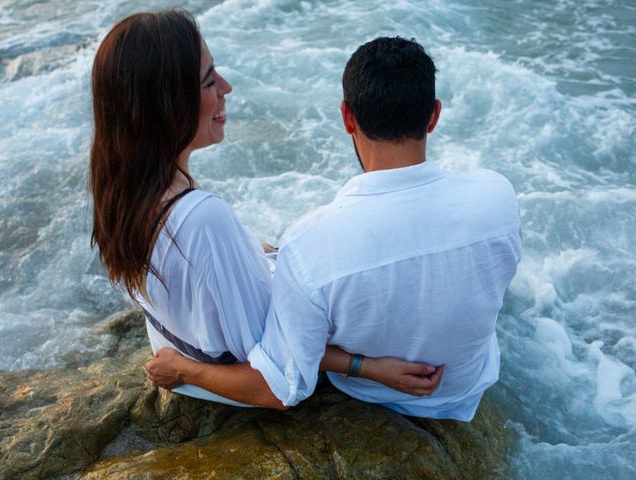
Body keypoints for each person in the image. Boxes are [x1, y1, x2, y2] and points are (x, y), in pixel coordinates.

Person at [146, 36, 522, 421]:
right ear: (434, 116)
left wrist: (184, 369)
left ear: (347, 118)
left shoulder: (312, 246)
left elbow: (282, 384)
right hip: (466, 388)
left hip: (373, 397)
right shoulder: (498, 198)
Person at [90, 12, 442, 409]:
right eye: (209, 81)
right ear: (166, 104)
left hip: (182, 338)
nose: (227, 87)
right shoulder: (201, 217)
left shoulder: (127, 185)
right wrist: (366, 366)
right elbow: (275, 382)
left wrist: (252, 251)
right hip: (229, 378)